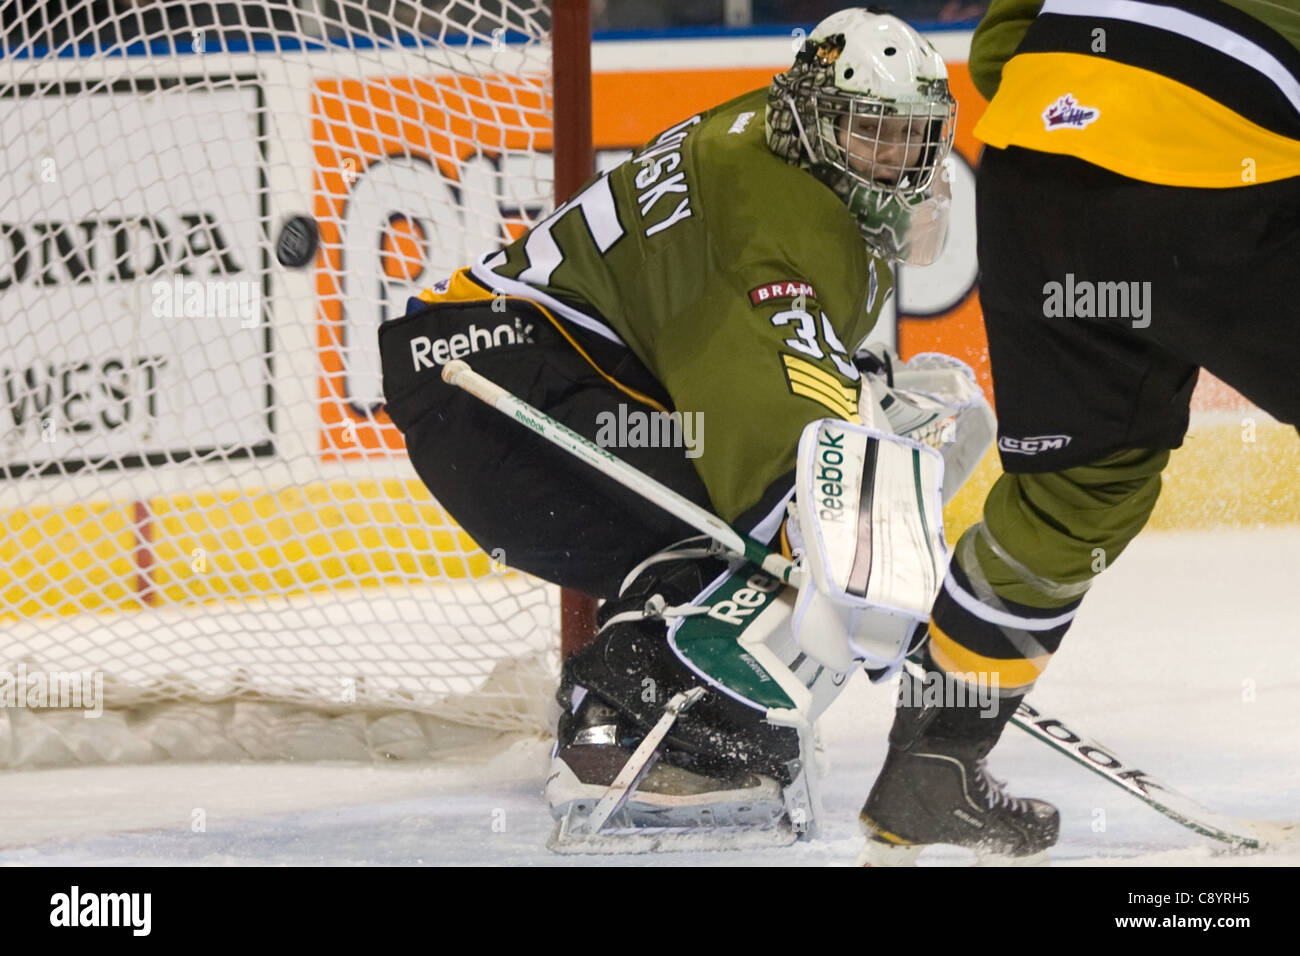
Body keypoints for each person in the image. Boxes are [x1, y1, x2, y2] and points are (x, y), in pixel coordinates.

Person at [380, 8, 984, 848]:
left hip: (490, 369)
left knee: (766, 505)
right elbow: (778, 462)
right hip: (494, 386)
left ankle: (667, 707)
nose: (895, 160)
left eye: (912, 138)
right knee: (752, 526)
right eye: (871, 133)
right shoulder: (777, 226)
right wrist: (879, 584)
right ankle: (622, 725)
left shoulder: (771, 137)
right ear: (815, 118)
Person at [856, 0, 1300, 864]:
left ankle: (931, 765)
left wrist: (1107, 126)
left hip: (1039, 170)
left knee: (1075, 488)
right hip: (1227, 168)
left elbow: (1000, 43)